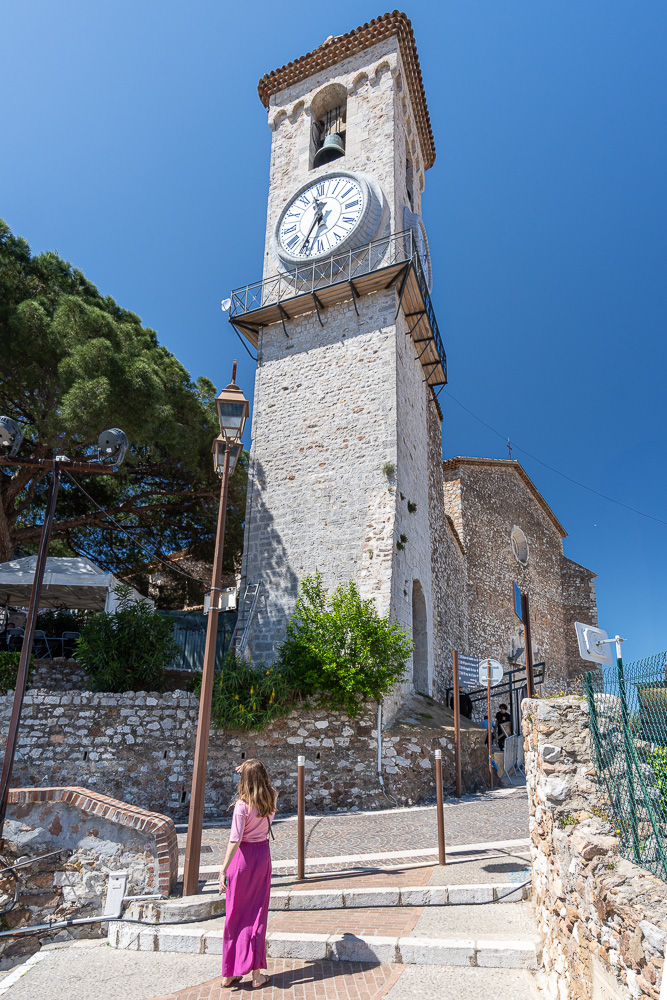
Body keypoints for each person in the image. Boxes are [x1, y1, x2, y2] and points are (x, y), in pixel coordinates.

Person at [220, 758, 277, 990]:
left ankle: (229, 973)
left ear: (244, 779)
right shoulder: (271, 798)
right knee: (257, 915)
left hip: (242, 859)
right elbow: (269, 786)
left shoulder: (241, 806)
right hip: (262, 856)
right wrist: (252, 769)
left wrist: (223, 869)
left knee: (235, 915)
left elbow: (235, 839)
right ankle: (256, 975)